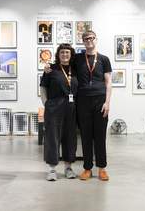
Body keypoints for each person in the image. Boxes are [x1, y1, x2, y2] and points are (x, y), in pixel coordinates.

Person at [74, 30, 112, 181]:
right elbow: (62, 63)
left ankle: (102, 168)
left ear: (96, 39)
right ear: (83, 41)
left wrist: (107, 102)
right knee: (86, 136)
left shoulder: (104, 59)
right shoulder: (77, 59)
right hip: (82, 101)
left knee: (100, 136)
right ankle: (87, 168)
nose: (89, 40)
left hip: (100, 101)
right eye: (86, 38)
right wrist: (48, 69)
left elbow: (109, 82)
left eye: (91, 38)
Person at [40, 43, 78, 181]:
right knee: (52, 138)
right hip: (54, 108)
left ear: (71, 54)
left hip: (71, 108)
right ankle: (52, 169)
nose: (65, 55)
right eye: (62, 52)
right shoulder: (51, 69)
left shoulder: (75, 69)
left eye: (67, 52)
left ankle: (68, 168)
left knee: (70, 138)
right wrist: (46, 104)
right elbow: (43, 88)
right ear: (58, 54)